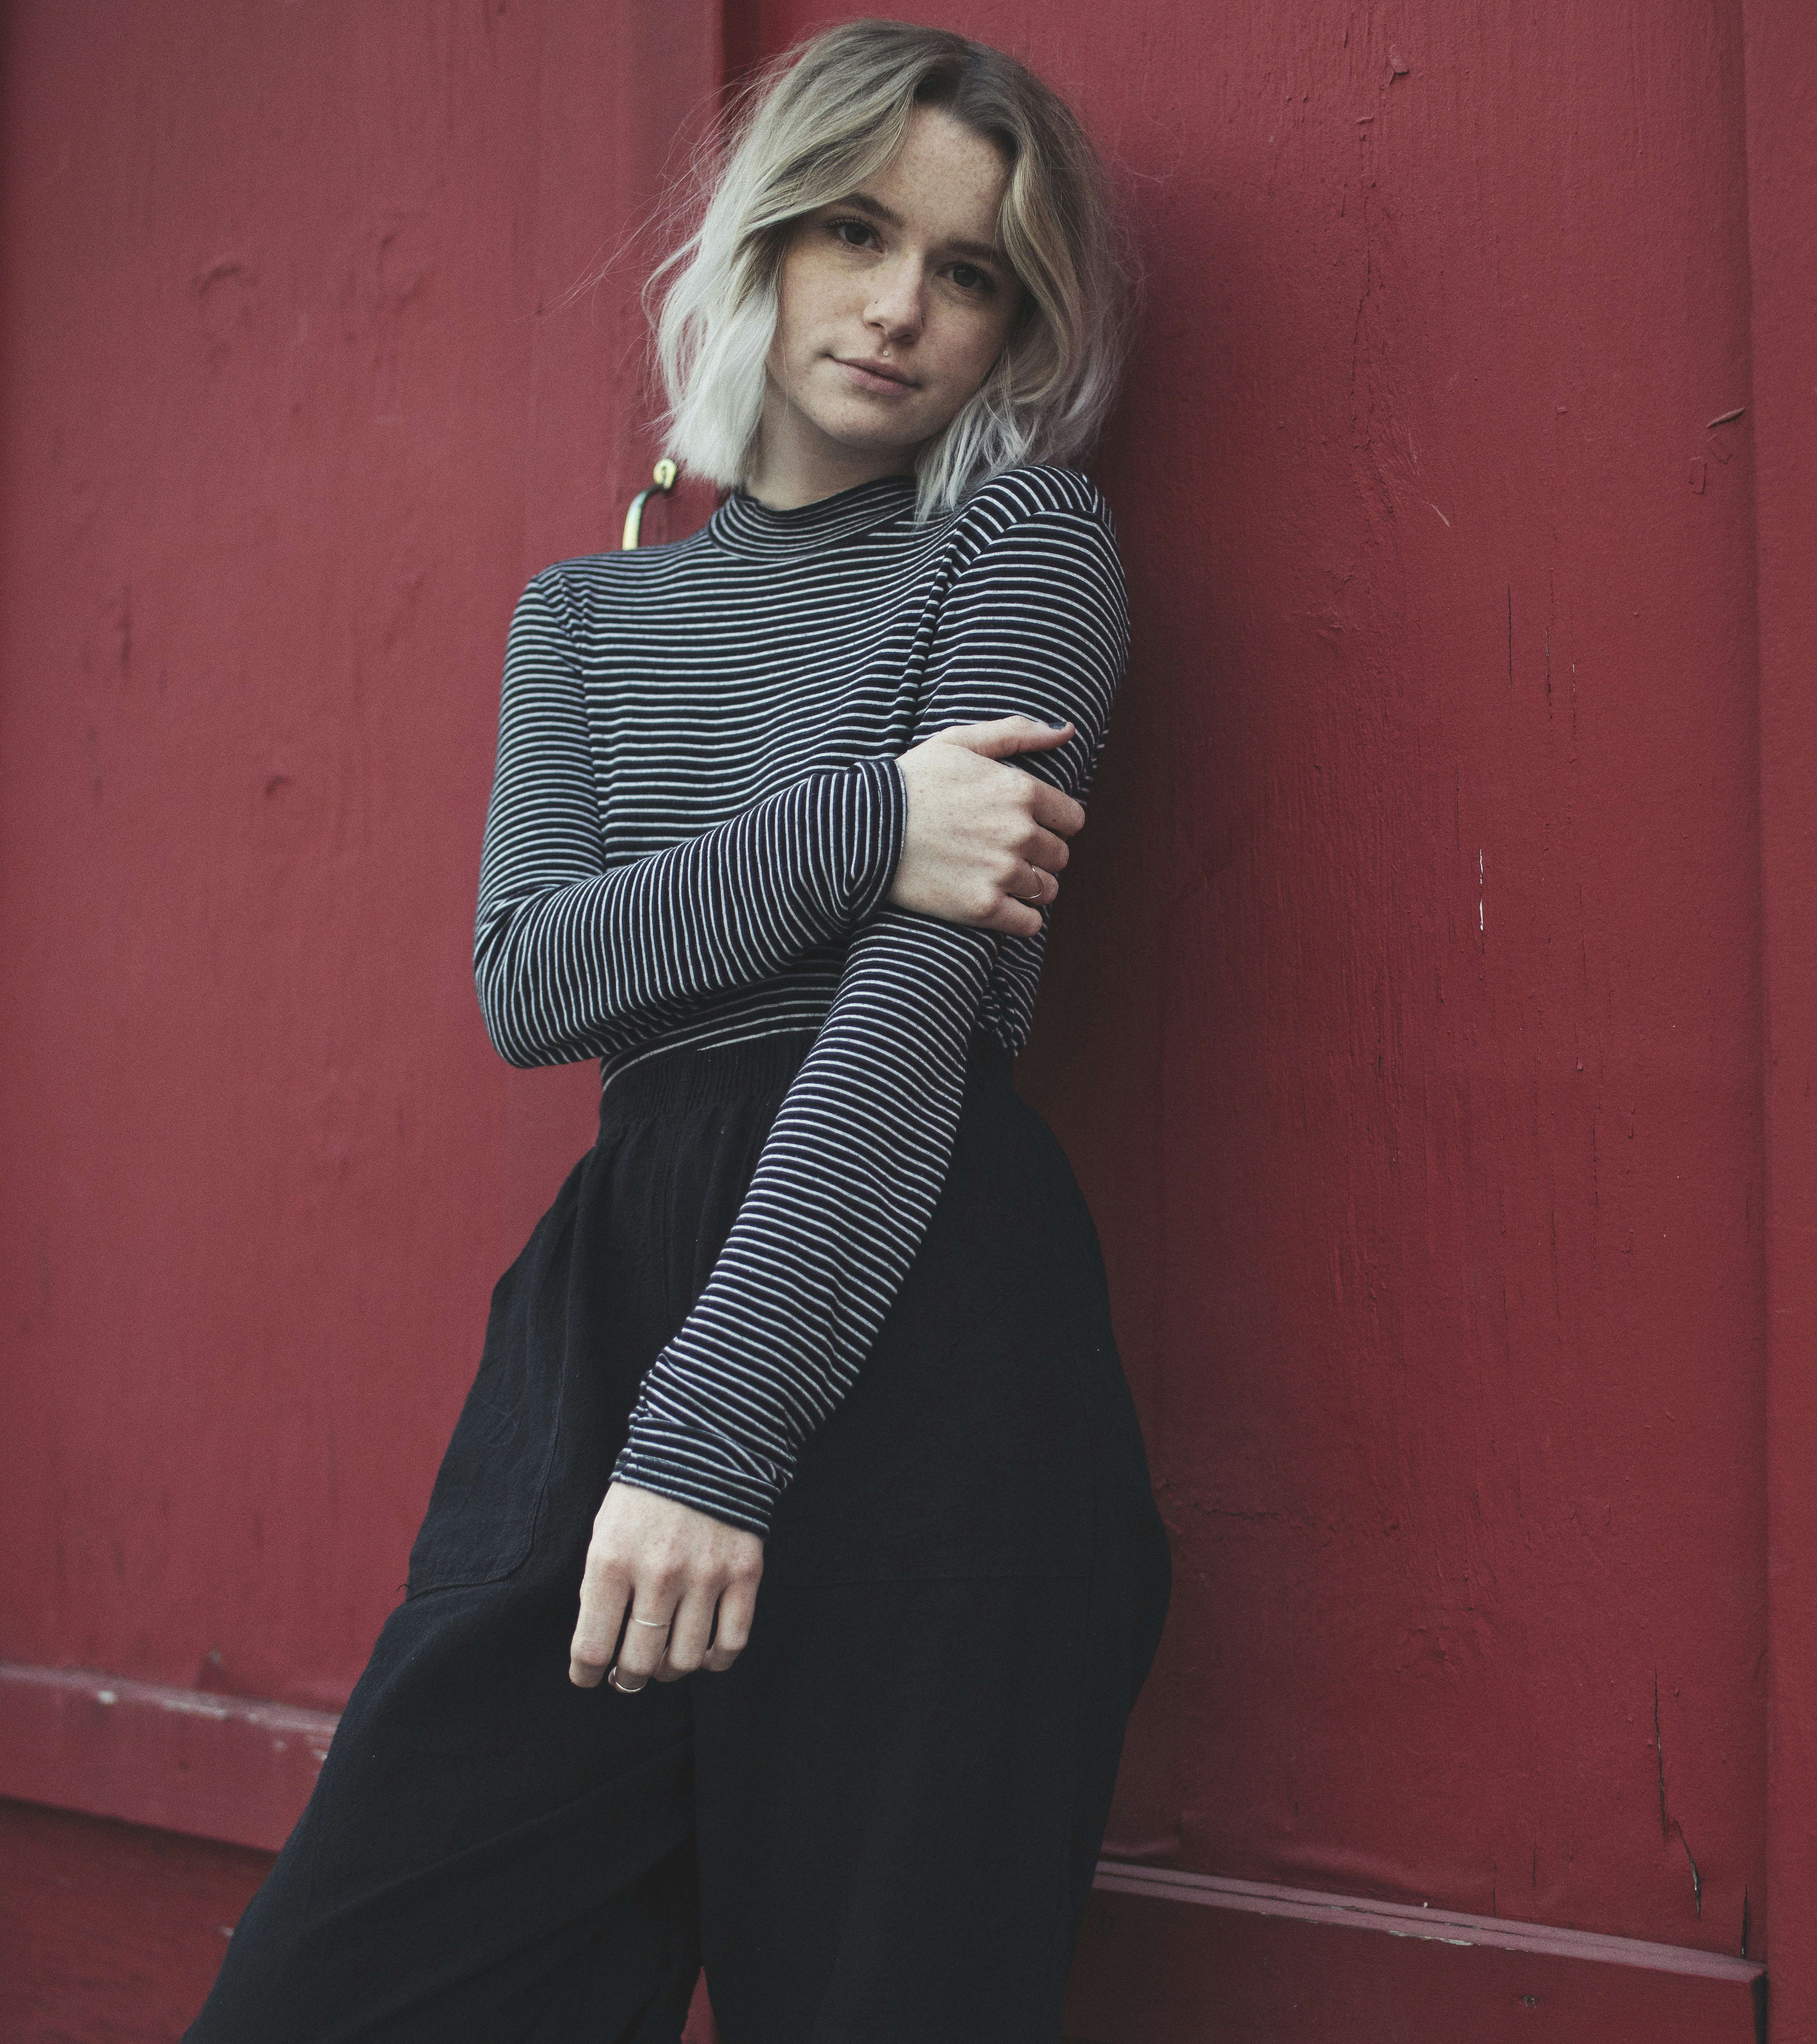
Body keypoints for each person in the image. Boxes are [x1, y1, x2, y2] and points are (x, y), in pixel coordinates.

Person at [185, 20, 1168, 2041]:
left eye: (972, 273)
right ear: (764, 241)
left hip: (920, 1303)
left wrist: (719, 1434)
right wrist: (874, 819)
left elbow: (910, 1013)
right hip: (620, 1302)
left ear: (1019, 326)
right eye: (856, 233)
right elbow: (532, 979)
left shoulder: (1021, 547)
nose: (899, 307)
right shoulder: (586, 618)